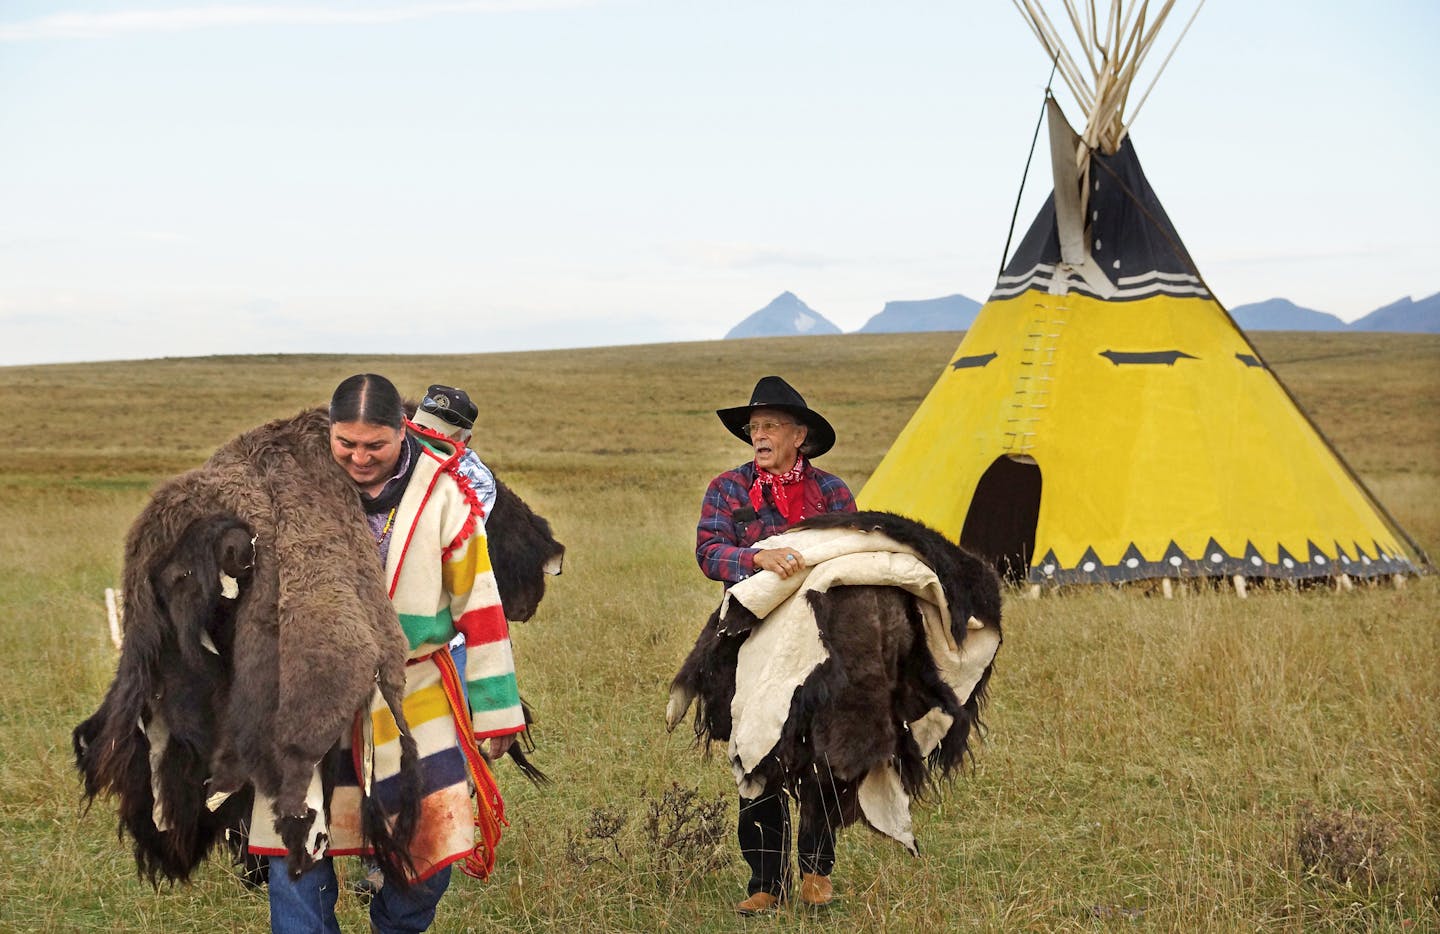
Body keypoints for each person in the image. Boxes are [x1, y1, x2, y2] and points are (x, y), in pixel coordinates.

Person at [259, 373, 526, 933]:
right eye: (346, 444)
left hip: (414, 686)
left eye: (374, 445)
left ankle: (397, 927)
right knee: (297, 844)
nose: (359, 457)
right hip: (310, 689)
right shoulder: (296, 491)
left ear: (402, 431)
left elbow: (480, 603)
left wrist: (497, 708)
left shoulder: (444, 494)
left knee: (428, 845)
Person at [694, 375, 856, 914]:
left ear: (799, 435)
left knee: (823, 751)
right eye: (753, 427)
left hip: (818, 636)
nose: (758, 436)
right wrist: (754, 559)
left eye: (770, 426)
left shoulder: (832, 492)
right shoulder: (727, 488)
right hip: (749, 635)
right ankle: (766, 881)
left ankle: (816, 869)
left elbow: (852, 555)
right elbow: (708, 551)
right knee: (755, 749)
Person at [409, 383, 497, 520]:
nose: (425, 438)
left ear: (465, 442)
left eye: (438, 437)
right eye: (420, 428)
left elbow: (456, 533)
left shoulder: (476, 479)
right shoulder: (395, 446)